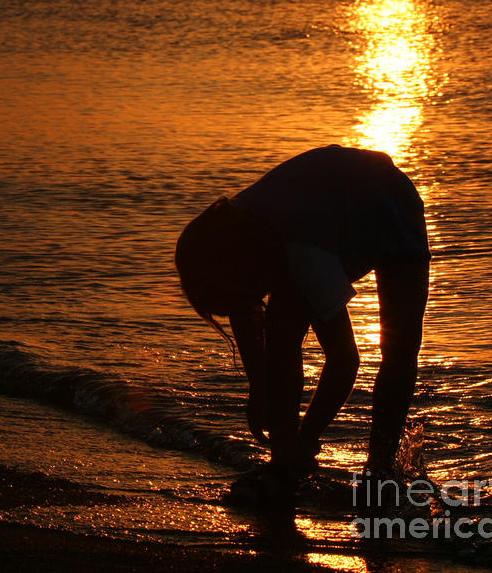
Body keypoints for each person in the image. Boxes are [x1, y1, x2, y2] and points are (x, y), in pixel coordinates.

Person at [175, 145, 430, 495]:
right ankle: (282, 464)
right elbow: (245, 311)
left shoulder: (302, 257)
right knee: (280, 335)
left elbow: (344, 361)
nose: (239, 305)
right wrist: (258, 390)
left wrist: (307, 441)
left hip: (394, 211)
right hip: (326, 209)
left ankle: (380, 471)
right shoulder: (235, 241)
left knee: (399, 353)